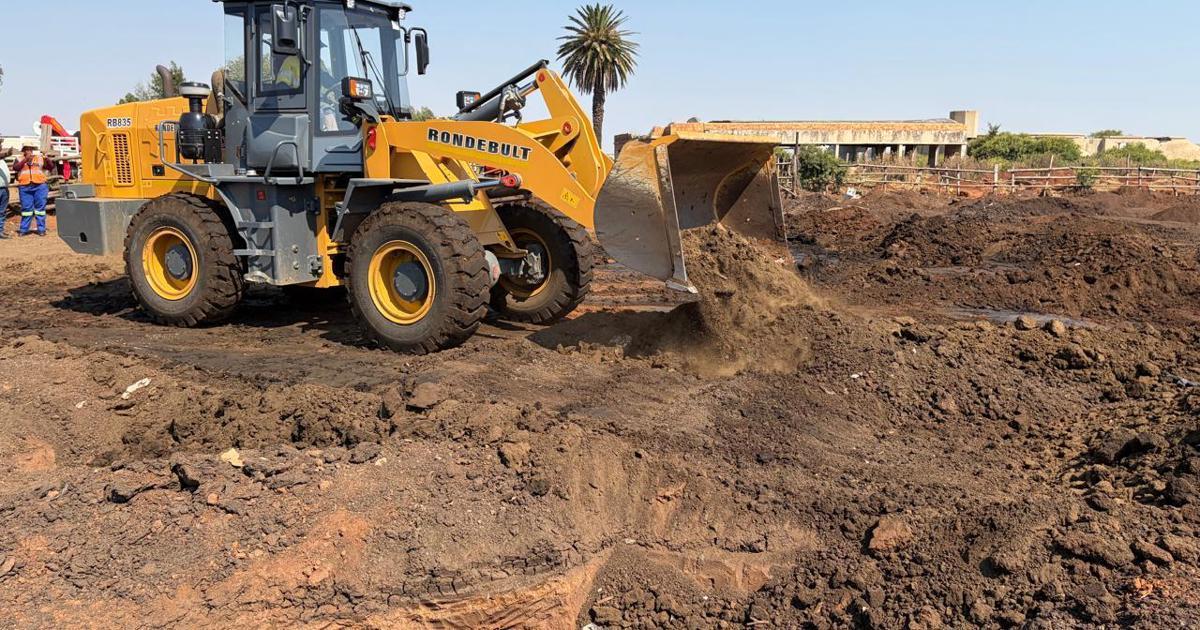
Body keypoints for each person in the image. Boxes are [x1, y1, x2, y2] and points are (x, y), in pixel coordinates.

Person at [13, 144, 53, 237]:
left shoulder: (39, 158)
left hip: (40, 186)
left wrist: (47, 159)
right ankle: (23, 230)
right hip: (25, 186)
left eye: (31, 149)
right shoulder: (19, 159)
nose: (29, 151)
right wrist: (25, 160)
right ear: (23, 151)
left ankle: (41, 229)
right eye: (27, 149)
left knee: (40, 209)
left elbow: (50, 167)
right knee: (26, 209)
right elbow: (16, 168)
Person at [0, 148, 11, 239]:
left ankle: (0, 231)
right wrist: (7, 153)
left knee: (2, 211)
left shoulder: (2, 161)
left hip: (4, 188)